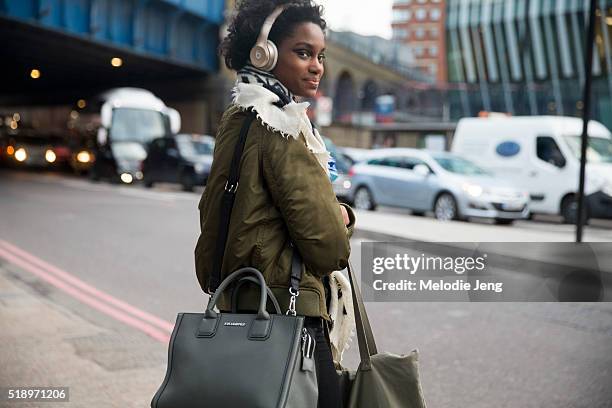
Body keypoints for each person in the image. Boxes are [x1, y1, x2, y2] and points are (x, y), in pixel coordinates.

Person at [194, 1, 355, 407]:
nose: (316, 66)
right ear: (262, 52)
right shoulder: (281, 125)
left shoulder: (237, 116)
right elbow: (329, 247)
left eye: (320, 55)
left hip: (241, 302)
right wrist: (345, 217)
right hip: (291, 313)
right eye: (303, 53)